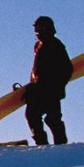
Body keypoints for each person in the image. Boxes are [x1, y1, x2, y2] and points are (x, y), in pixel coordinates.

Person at [24, 15, 71, 145]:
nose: (36, 30)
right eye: (35, 27)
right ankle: (42, 144)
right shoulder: (38, 45)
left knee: (53, 119)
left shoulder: (55, 44)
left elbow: (67, 68)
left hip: (51, 90)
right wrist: (32, 84)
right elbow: (36, 69)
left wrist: (57, 85)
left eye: (38, 27)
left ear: (46, 27)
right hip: (37, 89)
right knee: (32, 115)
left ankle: (61, 145)